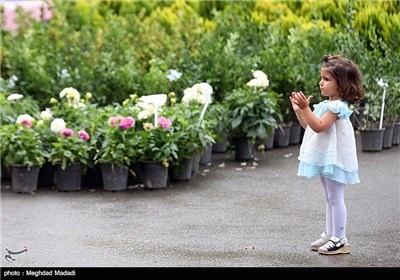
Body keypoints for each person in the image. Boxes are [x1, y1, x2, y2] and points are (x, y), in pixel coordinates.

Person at [289, 54, 364, 255]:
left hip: (336, 159)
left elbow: (320, 126)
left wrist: (306, 108)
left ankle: (340, 238)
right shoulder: (326, 105)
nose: (321, 83)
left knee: (335, 197)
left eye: (326, 79)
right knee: (329, 197)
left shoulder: (338, 107)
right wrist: (300, 111)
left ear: (342, 85)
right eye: (322, 78)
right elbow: (309, 126)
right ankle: (331, 233)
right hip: (326, 157)